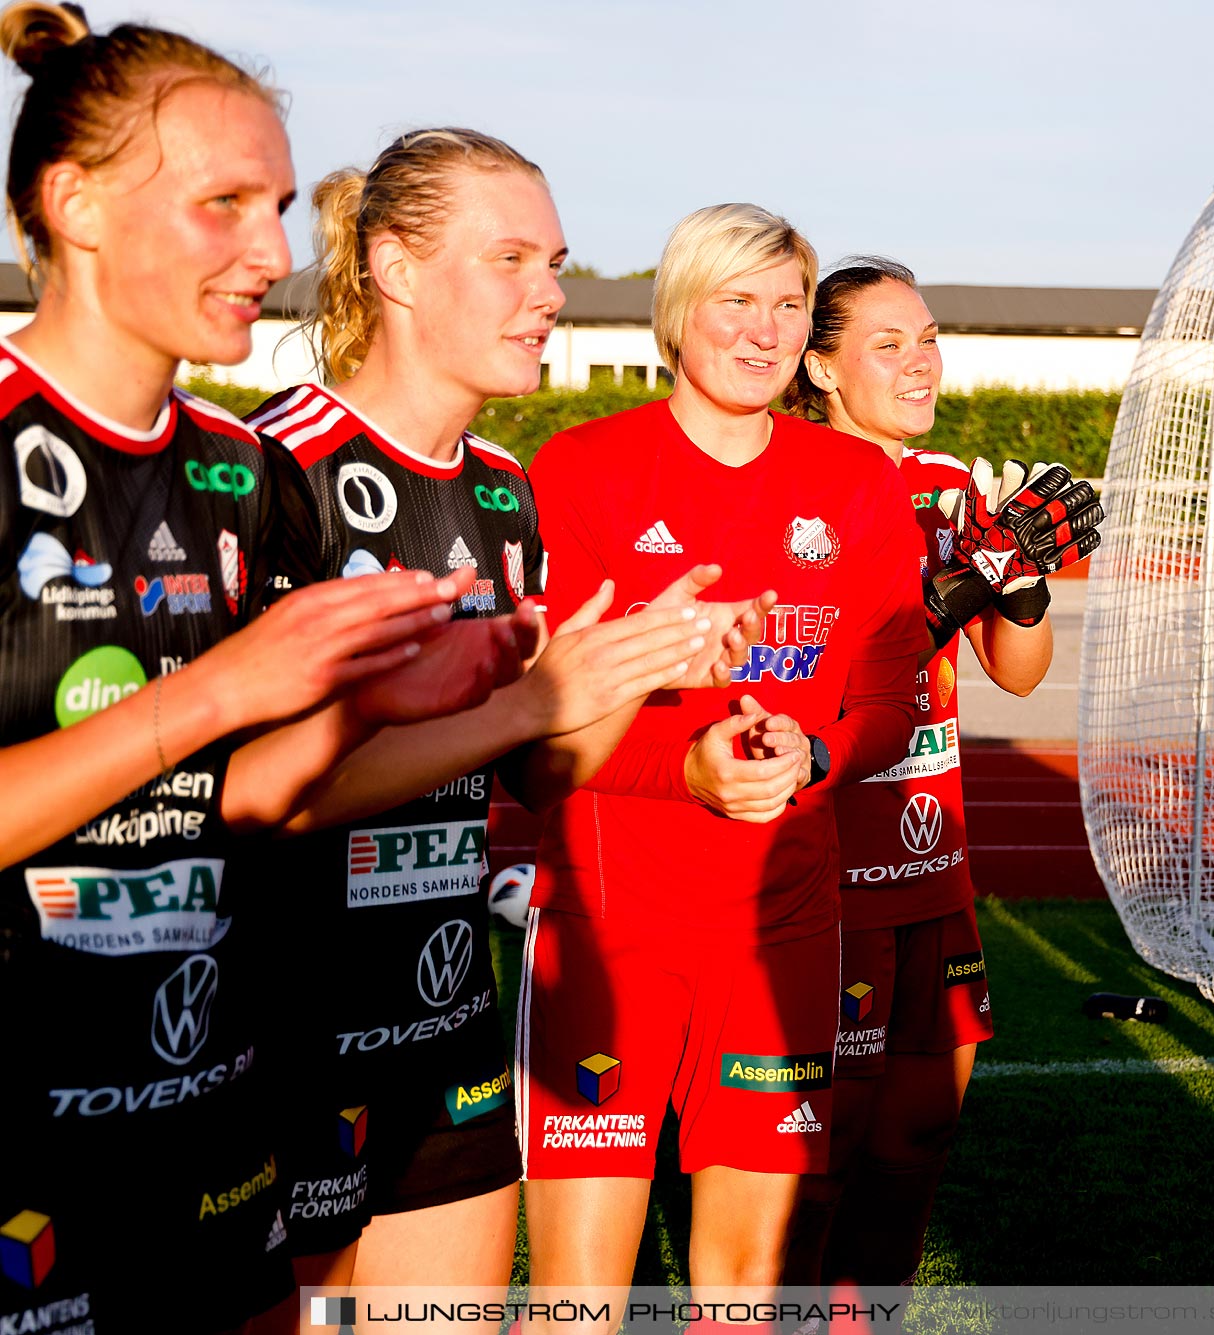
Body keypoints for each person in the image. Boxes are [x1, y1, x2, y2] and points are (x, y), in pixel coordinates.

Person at [0, 5, 532, 1329]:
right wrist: (216, 693)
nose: (277, 252)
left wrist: (388, 698)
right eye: (225, 203)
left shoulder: (240, 473)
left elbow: (253, 799)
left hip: (218, 1102)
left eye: (281, 206)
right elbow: (200, 724)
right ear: (72, 204)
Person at [243, 131, 765, 1295]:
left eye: (557, 261)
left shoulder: (499, 491)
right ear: (396, 268)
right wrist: (536, 697)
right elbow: (268, 790)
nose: (552, 295)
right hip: (283, 1030)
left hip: (447, 1019)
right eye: (514, 258)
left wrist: (641, 669)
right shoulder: (276, 466)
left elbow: (538, 773)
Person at [515, 206, 928, 1322]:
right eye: (735, 300)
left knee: (747, 1288)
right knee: (578, 1298)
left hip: (781, 933)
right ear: (677, 313)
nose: (766, 330)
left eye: (788, 305)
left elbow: (891, 698)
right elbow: (547, 722)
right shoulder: (584, 469)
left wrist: (818, 753)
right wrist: (686, 767)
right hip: (613, 931)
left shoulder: (855, 483)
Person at [778, 259, 1102, 1290]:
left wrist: (1022, 581)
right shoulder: (788, 484)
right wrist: (968, 580)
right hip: (829, 866)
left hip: (935, 862)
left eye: (927, 338)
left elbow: (1017, 671)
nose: (921, 361)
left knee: (918, 1138)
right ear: (820, 368)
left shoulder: (949, 484)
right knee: (819, 1156)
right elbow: (837, 670)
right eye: (889, 343)